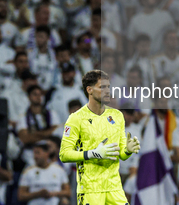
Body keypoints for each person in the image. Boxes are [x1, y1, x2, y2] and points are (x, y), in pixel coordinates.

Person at [59, 70, 141, 205]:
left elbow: (120, 154)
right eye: (102, 87)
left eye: (108, 87)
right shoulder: (76, 118)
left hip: (114, 187)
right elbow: (64, 154)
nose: (107, 91)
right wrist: (93, 153)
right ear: (89, 90)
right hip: (91, 189)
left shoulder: (117, 116)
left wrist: (127, 150)